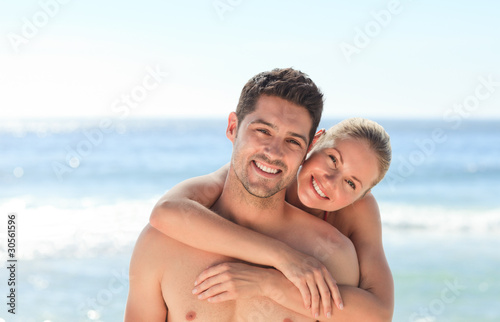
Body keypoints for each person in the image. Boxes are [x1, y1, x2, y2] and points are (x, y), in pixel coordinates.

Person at [125, 67, 363, 321]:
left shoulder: (331, 255)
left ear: (308, 149)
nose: (273, 152)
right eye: (263, 131)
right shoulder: (161, 243)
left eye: (293, 141)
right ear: (233, 127)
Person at [148, 118, 394, 320]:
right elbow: (167, 211)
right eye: (332, 159)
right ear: (314, 142)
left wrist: (269, 283)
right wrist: (283, 256)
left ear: (362, 195)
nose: (330, 180)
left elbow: (379, 314)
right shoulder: (264, 174)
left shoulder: (357, 213)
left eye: (351, 183)